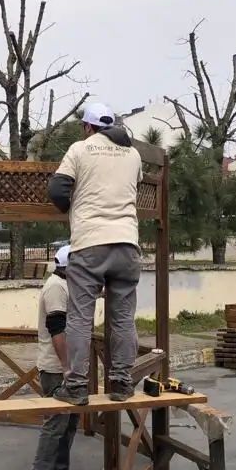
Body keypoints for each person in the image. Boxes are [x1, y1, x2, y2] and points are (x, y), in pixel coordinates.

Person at [48, 102, 143, 405]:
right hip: (127, 244)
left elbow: (57, 190)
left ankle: (76, 387)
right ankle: (122, 383)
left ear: (88, 127)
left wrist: (71, 208)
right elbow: (135, 184)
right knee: (123, 318)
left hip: (90, 243)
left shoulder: (80, 149)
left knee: (79, 317)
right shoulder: (133, 154)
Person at [26, 244, 86, 470]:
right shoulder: (56, 288)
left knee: (69, 422)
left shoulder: (66, 285)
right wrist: (66, 367)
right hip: (56, 368)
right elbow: (57, 331)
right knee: (55, 424)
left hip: (66, 368)